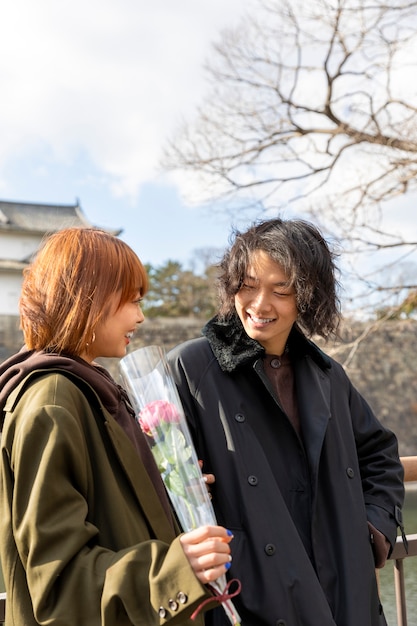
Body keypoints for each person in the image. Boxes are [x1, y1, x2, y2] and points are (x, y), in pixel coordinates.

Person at [167, 217, 407, 626]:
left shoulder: (327, 375)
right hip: (250, 593)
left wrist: (371, 529)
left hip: (344, 593)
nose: (260, 305)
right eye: (247, 285)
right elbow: (163, 482)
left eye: (281, 290)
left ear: (307, 298)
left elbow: (380, 454)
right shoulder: (191, 368)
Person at [0, 227, 234, 626]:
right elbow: (58, 582)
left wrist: (168, 488)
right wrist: (176, 571)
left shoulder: (91, 389)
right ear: (86, 297)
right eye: (131, 300)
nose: (141, 316)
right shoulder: (53, 400)